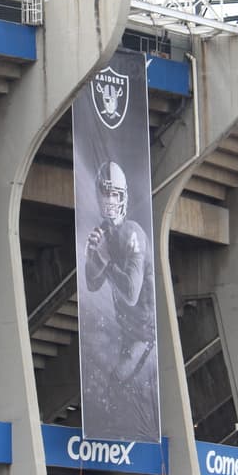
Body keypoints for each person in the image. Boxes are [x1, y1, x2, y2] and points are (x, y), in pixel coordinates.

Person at [84, 160, 156, 384]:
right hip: (127, 330)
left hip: (145, 337)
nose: (109, 200)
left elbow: (132, 294)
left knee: (116, 384)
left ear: (123, 196)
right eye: (105, 192)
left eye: (114, 194)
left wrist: (104, 257)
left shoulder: (132, 232)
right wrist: (91, 258)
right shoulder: (106, 231)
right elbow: (92, 284)